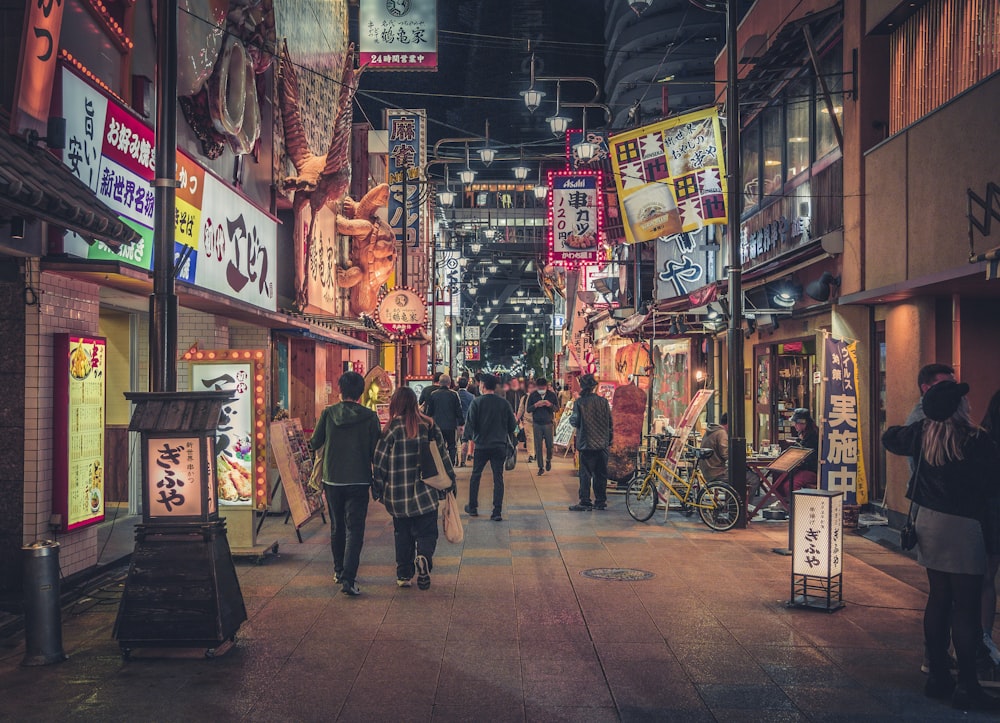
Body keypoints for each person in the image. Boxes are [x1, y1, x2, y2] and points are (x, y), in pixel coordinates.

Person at [883, 380, 1000, 711]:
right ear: (958, 408)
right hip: (963, 526)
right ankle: (967, 684)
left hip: (928, 522)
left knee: (939, 597)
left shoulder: (923, 434)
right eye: (964, 401)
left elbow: (889, 436)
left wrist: (925, 419)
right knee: (965, 605)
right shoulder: (976, 440)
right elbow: (992, 483)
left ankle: (937, 675)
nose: (969, 405)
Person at [372, 387, 456, 590]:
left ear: (395, 404)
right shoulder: (428, 425)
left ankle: (404, 575)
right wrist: (450, 482)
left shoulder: (391, 428)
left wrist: (378, 489)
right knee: (427, 533)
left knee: (402, 534)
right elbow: (442, 457)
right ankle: (424, 556)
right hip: (426, 492)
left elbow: (379, 461)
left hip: (397, 495)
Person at [309, 371, 382, 596]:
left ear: (340, 390)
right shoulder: (370, 417)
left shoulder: (328, 413)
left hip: (333, 479)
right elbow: (375, 451)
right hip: (359, 479)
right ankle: (349, 578)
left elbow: (315, 442)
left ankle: (339, 570)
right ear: (361, 392)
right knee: (355, 529)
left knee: (337, 526)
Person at [462, 374, 517, 521]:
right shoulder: (504, 403)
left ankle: (472, 507)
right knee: (498, 478)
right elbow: (513, 426)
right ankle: (496, 511)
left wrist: (465, 441)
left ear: (483, 386)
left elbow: (470, 423)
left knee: (476, 476)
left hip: (481, 446)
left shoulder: (477, 402)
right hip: (499, 445)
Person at [568, 373, 613, 511]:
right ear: (594, 387)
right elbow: (610, 423)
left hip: (586, 443)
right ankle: (600, 501)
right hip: (602, 444)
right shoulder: (604, 402)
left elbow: (574, 421)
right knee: (601, 474)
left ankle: (585, 501)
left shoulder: (579, 403)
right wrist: (608, 440)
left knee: (585, 474)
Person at [980, 390, 1000, 665]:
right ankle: (983, 638)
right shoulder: (983, 443)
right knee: (986, 576)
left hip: (988, 514)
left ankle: (984, 638)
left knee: (985, 577)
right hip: (990, 514)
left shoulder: (981, 440)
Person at [424, 373, 463, 464]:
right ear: (449, 383)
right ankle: (451, 463)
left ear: (440, 383)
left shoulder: (433, 394)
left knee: (439, 445)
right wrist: (461, 423)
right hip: (450, 425)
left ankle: (440, 463)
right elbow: (458, 410)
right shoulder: (454, 394)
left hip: (437, 425)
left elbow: (429, 411)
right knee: (452, 445)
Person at [527, 377, 560, 475]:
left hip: (548, 423)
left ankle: (549, 459)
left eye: (543, 387)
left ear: (546, 387)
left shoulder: (552, 395)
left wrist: (549, 404)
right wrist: (536, 405)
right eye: (539, 387)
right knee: (538, 446)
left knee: (550, 446)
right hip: (537, 423)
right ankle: (540, 467)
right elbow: (528, 409)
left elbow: (557, 409)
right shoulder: (533, 395)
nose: (541, 389)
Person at [700, 412, 729, 484]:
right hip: (717, 473)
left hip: (708, 471)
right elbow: (725, 454)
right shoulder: (721, 433)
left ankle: (731, 495)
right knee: (753, 478)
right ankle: (737, 495)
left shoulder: (711, 431)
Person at [516, 379, 537, 462]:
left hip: (538, 421)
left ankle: (535, 453)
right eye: (530, 388)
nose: (531, 389)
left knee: (536, 438)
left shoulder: (539, 397)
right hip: (527, 420)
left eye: (533, 388)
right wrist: (517, 418)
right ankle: (531, 454)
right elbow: (521, 409)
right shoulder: (524, 398)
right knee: (530, 438)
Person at [456, 377, 475, 467]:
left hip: (455, 421)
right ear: (467, 385)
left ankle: (455, 460)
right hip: (467, 421)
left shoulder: (455, 394)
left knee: (454, 442)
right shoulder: (471, 396)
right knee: (464, 441)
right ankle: (462, 462)